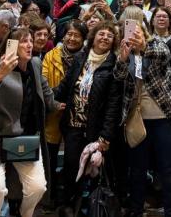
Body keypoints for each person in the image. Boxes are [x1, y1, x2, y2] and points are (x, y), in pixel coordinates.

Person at [0, 29, 61, 217]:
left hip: (25, 138)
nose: (29, 45)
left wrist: (59, 104)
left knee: (38, 187)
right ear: (12, 46)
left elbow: (46, 94)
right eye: (23, 42)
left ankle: (25, 214)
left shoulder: (35, 63)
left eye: (30, 41)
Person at [115, 13, 171, 217]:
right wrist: (123, 58)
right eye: (130, 33)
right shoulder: (124, 53)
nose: (134, 36)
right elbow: (118, 77)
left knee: (168, 168)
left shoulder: (157, 45)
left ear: (144, 31)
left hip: (163, 118)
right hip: (137, 119)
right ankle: (136, 210)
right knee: (137, 169)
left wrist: (143, 47)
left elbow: (165, 56)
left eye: (138, 32)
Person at [53, 21, 122, 210]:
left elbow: (113, 105)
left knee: (96, 173)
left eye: (110, 35)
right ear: (93, 37)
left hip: (97, 131)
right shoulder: (81, 58)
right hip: (73, 125)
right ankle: (68, 207)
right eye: (102, 34)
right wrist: (49, 98)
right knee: (71, 168)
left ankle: (94, 209)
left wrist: (106, 136)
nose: (105, 37)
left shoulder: (114, 64)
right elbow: (65, 86)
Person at [42, 19, 87, 203]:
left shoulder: (87, 58)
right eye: (69, 34)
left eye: (77, 35)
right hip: (53, 113)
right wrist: (54, 103)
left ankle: (71, 200)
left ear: (83, 39)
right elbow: (44, 83)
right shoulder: (51, 56)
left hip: (77, 116)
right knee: (50, 159)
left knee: (73, 160)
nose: (72, 38)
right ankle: (49, 198)